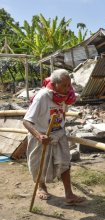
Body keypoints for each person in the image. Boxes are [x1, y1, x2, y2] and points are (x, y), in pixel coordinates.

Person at [23, 69, 85, 204]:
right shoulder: (42, 97)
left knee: (65, 163)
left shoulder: (66, 95)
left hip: (58, 133)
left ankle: (69, 194)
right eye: (64, 85)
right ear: (55, 84)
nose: (68, 88)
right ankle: (41, 187)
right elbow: (26, 121)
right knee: (39, 164)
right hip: (40, 133)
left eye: (69, 85)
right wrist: (39, 136)